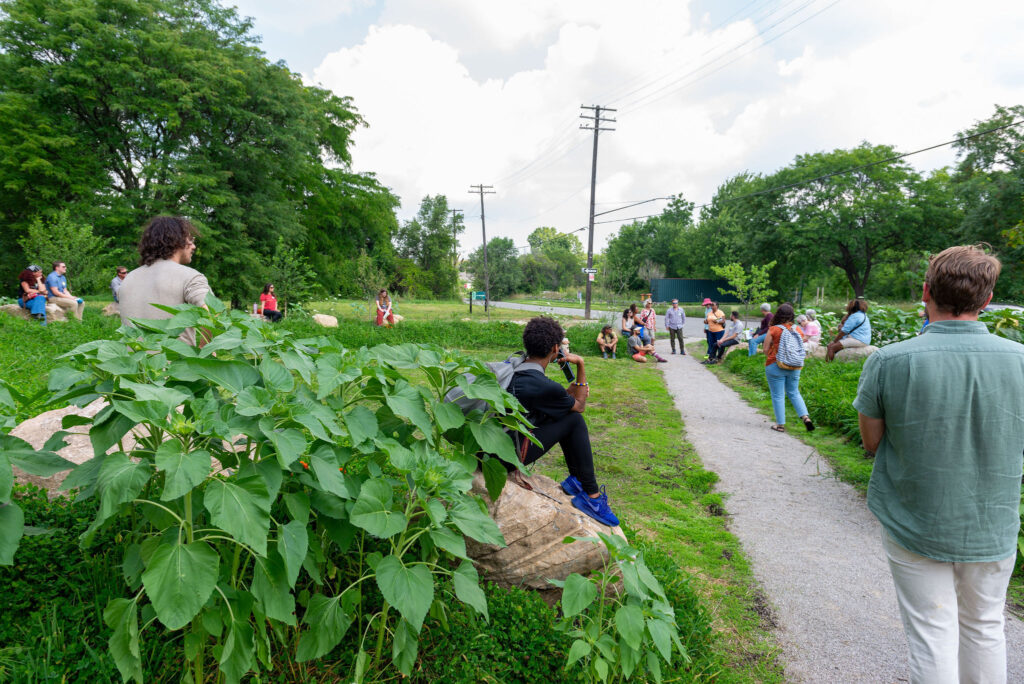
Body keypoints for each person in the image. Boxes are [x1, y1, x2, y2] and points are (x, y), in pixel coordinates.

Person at [854, 245, 1024, 682]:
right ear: (986, 301)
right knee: (986, 627)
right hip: (993, 522)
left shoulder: (889, 360)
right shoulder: (1021, 361)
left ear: (926, 291)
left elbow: (871, 442)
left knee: (932, 634)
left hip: (916, 519)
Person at [506, 316, 620, 527]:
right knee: (574, 420)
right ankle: (592, 497)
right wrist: (581, 365)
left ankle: (577, 481)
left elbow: (559, 399)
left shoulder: (514, 366)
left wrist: (573, 389)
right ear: (555, 348)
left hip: (491, 447)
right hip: (508, 456)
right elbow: (578, 406)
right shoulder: (541, 384)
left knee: (565, 414)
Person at [118, 215, 212, 347]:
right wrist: (205, 349)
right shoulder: (190, 276)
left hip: (134, 364)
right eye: (190, 240)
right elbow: (211, 313)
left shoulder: (128, 279)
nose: (194, 246)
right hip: (175, 365)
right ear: (177, 240)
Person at [762, 303, 814, 433]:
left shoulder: (773, 329)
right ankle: (806, 418)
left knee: (778, 395)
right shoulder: (798, 329)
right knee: (794, 392)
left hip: (775, 365)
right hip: (795, 365)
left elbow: (765, 349)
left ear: (778, 314)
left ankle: (780, 425)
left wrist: (773, 353)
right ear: (792, 315)